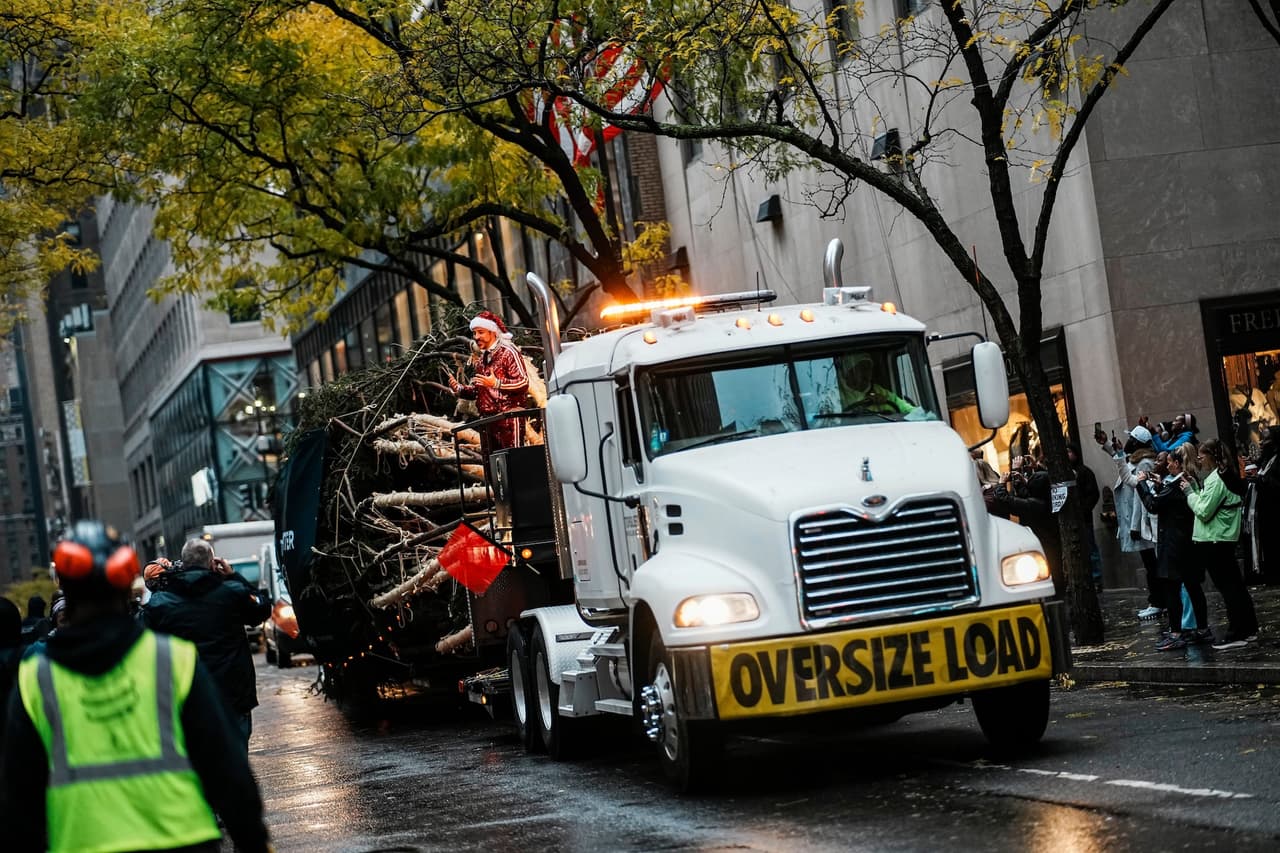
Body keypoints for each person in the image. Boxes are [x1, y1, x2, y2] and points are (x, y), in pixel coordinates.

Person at [0, 520, 270, 853]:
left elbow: (18, 799)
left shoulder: (37, 677)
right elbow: (227, 767)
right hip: (181, 840)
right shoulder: (171, 660)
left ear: (65, 588)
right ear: (124, 583)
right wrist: (254, 841)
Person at [143, 538, 272, 751]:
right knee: (236, 756)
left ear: (183, 564)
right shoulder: (231, 592)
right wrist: (233, 576)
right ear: (213, 563)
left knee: (200, 760)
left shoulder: (161, 603)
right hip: (233, 696)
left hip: (189, 696)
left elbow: (142, 639)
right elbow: (262, 608)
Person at [1182, 438, 1258, 650]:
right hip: (1221, 537)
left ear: (1212, 457)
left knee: (1228, 588)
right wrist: (1196, 488)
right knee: (1235, 586)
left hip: (1215, 538)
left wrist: (1189, 493)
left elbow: (1204, 511)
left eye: (1202, 456)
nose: (1199, 460)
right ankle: (1248, 628)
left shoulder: (1216, 479)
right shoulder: (1222, 476)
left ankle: (1237, 632)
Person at [1137, 444, 1209, 649]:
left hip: (1173, 545)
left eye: (1169, 462)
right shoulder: (1186, 481)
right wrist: (1160, 485)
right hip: (1188, 543)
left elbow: (1153, 505)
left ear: (1177, 463)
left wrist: (1142, 485)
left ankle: (1176, 633)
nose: (1167, 466)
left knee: (1171, 589)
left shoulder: (1176, 485)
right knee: (1193, 587)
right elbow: (1170, 503)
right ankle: (1202, 629)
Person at [1099, 424, 1161, 620]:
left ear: (1136, 443)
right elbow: (1122, 462)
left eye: (1131, 439)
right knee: (1150, 563)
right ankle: (1158, 601)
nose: (1127, 441)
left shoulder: (1145, 463)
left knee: (1152, 565)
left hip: (1143, 523)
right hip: (1136, 521)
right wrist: (1108, 445)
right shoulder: (1136, 459)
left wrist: (1135, 526)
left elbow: (1139, 497)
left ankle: (1158, 602)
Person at [448, 310, 531, 450]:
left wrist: (497, 383)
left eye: (480, 332)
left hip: (508, 419)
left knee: (513, 460)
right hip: (487, 422)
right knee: (492, 462)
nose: (476, 337)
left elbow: (523, 382)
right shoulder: (482, 361)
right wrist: (460, 389)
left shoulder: (508, 352)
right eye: (474, 333)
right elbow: (478, 391)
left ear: (493, 332)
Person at [994, 459, 1062, 596]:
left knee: (1052, 570)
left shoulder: (1036, 505)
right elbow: (1026, 494)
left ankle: (1056, 594)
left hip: (1043, 542)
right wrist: (1020, 479)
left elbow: (1006, 500)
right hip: (1049, 540)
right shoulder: (1046, 498)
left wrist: (1001, 483)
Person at [1067, 443, 1103, 591]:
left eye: (1069, 452)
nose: (1067, 455)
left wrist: (1083, 510)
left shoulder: (1085, 472)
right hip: (1068, 519)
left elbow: (1093, 494)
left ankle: (1096, 579)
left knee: (1090, 547)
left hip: (1084, 518)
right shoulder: (1063, 473)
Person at [835, 352, 915, 415]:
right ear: (849, 372)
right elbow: (833, 419)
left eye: (869, 368)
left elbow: (909, 410)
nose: (867, 373)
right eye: (862, 368)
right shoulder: (836, 394)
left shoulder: (880, 391)